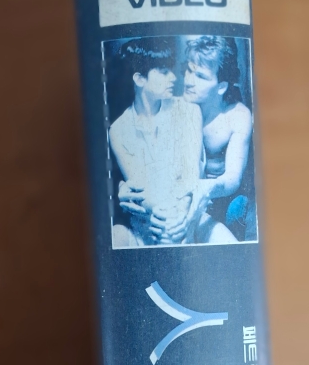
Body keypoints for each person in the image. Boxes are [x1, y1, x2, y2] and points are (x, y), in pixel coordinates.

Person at [108, 38, 204, 247]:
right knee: (116, 238)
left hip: (188, 215)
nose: (173, 78)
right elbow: (142, 190)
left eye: (171, 69)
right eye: (163, 71)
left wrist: (180, 217)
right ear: (139, 79)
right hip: (148, 222)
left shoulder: (189, 111)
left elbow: (191, 176)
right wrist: (164, 218)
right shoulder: (118, 130)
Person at [167, 36, 255, 243]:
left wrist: (203, 188)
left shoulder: (237, 116)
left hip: (222, 199)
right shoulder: (178, 108)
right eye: (188, 71)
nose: (189, 81)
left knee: (239, 208)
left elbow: (233, 178)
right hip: (187, 197)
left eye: (200, 76)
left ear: (221, 86)